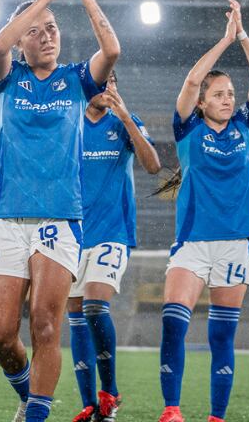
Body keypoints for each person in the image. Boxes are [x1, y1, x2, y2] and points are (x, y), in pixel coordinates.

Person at [0, 0, 120, 422]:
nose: (46, 36)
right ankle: (27, 395)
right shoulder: (7, 79)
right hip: (6, 215)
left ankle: (38, 415)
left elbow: (113, 50)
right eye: (35, 31)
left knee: (45, 324)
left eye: (53, 29)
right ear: (23, 41)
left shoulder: (75, 79)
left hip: (59, 217)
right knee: (1, 333)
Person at [154, 0, 249, 422]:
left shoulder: (244, 126)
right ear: (203, 102)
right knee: (174, 322)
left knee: (222, 335)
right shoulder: (188, 128)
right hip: (192, 242)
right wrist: (223, 42)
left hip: (235, 244)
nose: (227, 99)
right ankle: (172, 409)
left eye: (230, 94)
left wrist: (242, 36)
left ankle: (217, 417)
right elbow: (189, 82)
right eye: (218, 94)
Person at [67, 70, 161, 422]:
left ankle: (110, 392)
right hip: (72, 234)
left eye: (112, 83)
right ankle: (90, 404)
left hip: (112, 232)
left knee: (94, 308)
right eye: (100, 83)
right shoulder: (70, 123)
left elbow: (153, 166)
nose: (107, 89)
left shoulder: (124, 122)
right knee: (75, 318)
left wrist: (125, 117)